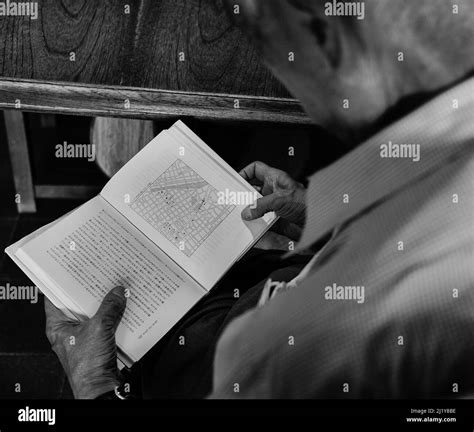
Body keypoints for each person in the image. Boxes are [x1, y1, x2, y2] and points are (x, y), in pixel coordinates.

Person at [45, 0, 474, 399]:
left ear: (320, 38)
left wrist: (94, 384)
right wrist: (322, 214)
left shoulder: (268, 354)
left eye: (265, 45)